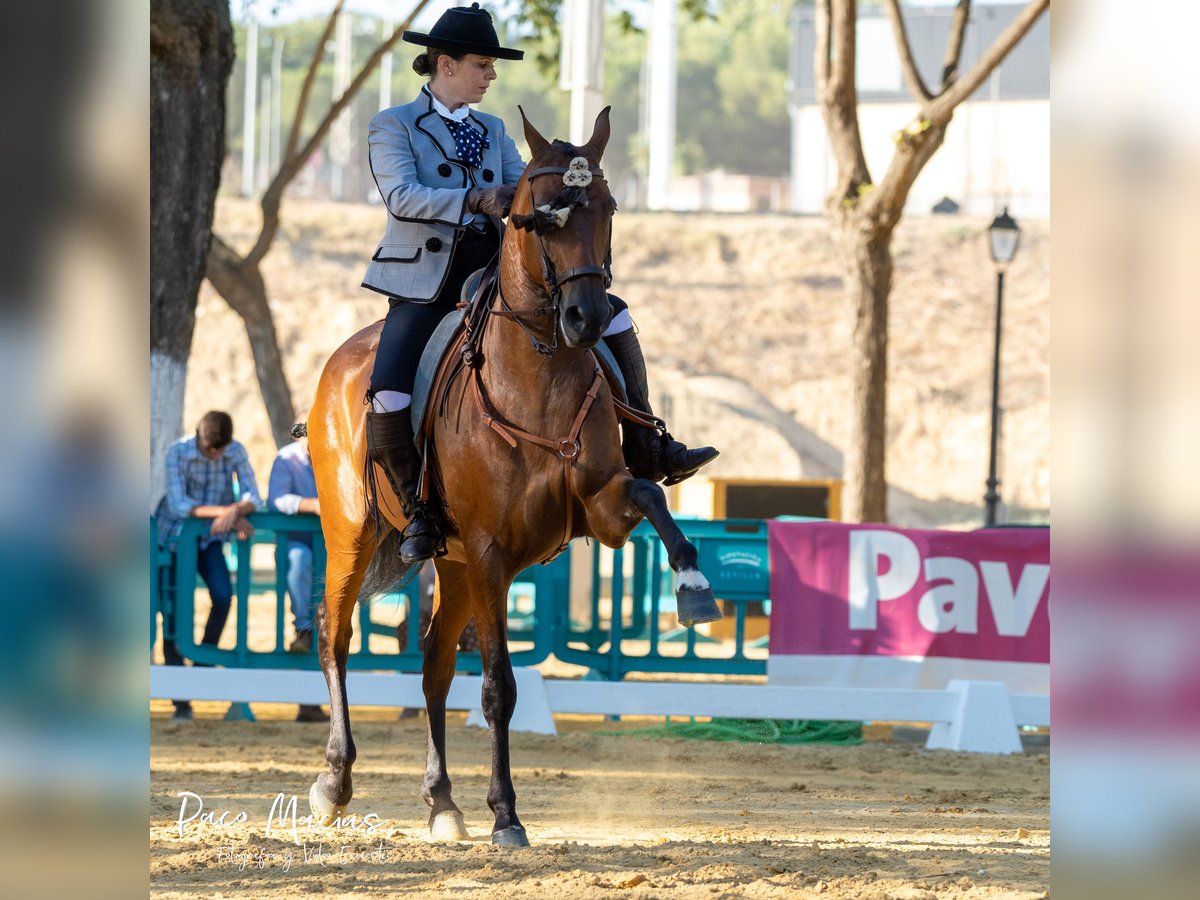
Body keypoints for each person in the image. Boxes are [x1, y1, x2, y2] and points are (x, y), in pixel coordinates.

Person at [362, 3, 717, 566]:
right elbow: (401, 197)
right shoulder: (393, 125)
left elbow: (523, 191)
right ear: (445, 63)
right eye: (483, 64)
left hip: (494, 273)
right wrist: (475, 198)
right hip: (424, 282)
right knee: (387, 391)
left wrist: (562, 196)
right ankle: (417, 510)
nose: (491, 76)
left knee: (613, 312)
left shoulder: (496, 130)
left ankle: (649, 441)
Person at [155, 411, 261, 721]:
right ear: (199, 438)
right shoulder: (178, 451)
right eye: (209, 449)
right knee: (173, 609)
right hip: (175, 538)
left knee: (223, 595)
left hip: (209, 541)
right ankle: (180, 699)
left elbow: (255, 494)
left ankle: (202, 664)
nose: (215, 454)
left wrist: (238, 508)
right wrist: (227, 512)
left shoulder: (236, 450)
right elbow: (178, 505)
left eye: (220, 450)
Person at [267, 426, 329, 723]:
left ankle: (321, 625)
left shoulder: (333, 452)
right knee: (299, 560)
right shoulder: (286, 459)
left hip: (330, 544)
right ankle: (304, 627)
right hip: (297, 540)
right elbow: (276, 499)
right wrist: (310, 505)